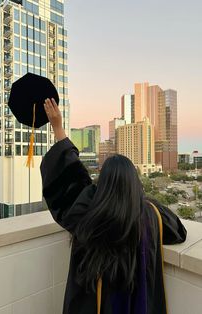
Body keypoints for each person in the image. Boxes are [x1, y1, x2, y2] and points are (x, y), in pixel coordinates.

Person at [40, 98, 187, 314]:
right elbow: (179, 232)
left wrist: (58, 128)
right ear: (135, 184)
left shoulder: (86, 212)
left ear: (102, 185)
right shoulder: (151, 214)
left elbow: (70, 178)